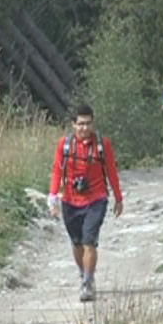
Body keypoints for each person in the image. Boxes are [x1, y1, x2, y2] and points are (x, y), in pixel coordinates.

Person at [47, 104, 124, 302]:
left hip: (96, 199)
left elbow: (111, 171)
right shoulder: (64, 145)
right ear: (73, 124)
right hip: (70, 201)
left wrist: (118, 197)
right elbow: (57, 170)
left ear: (93, 123)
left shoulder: (101, 144)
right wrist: (52, 197)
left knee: (89, 241)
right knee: (77, 243)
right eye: (80, 124)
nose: (84, 128)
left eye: (88, 124)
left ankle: (88, 282)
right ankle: (83, 274)